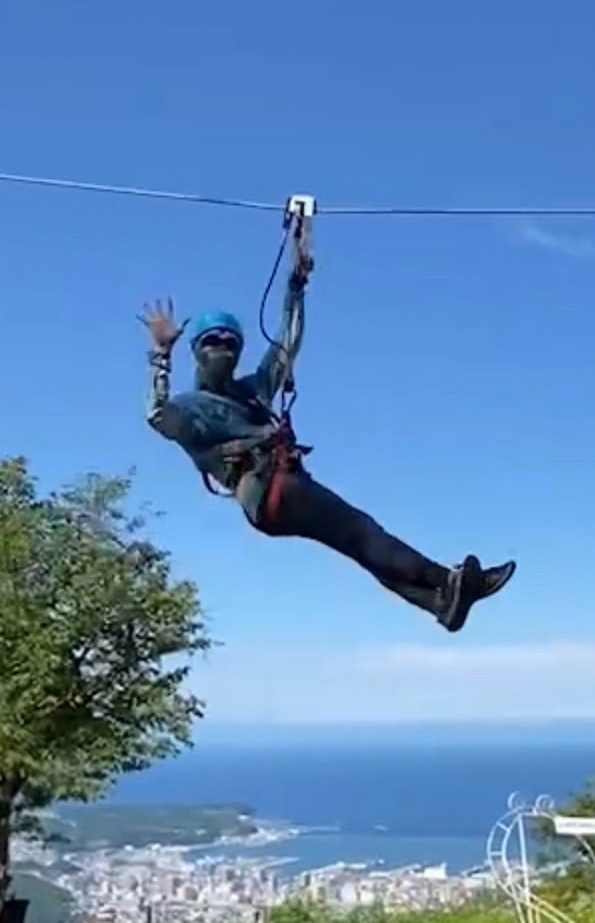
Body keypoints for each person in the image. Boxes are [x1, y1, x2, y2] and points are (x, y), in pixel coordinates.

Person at [139, 240, 515, 633]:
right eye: (212, 342)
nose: (222, 349)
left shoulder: (252, 391)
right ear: (196, 351)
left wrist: (296, 287)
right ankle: (448, 583)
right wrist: (160, 355)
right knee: (359, 530)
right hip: (268, 489)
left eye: (230, 342)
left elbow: (287, 346)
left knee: (360, 541)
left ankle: (442, 601)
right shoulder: (190, 408)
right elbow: (156, 415)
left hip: (286, 487)